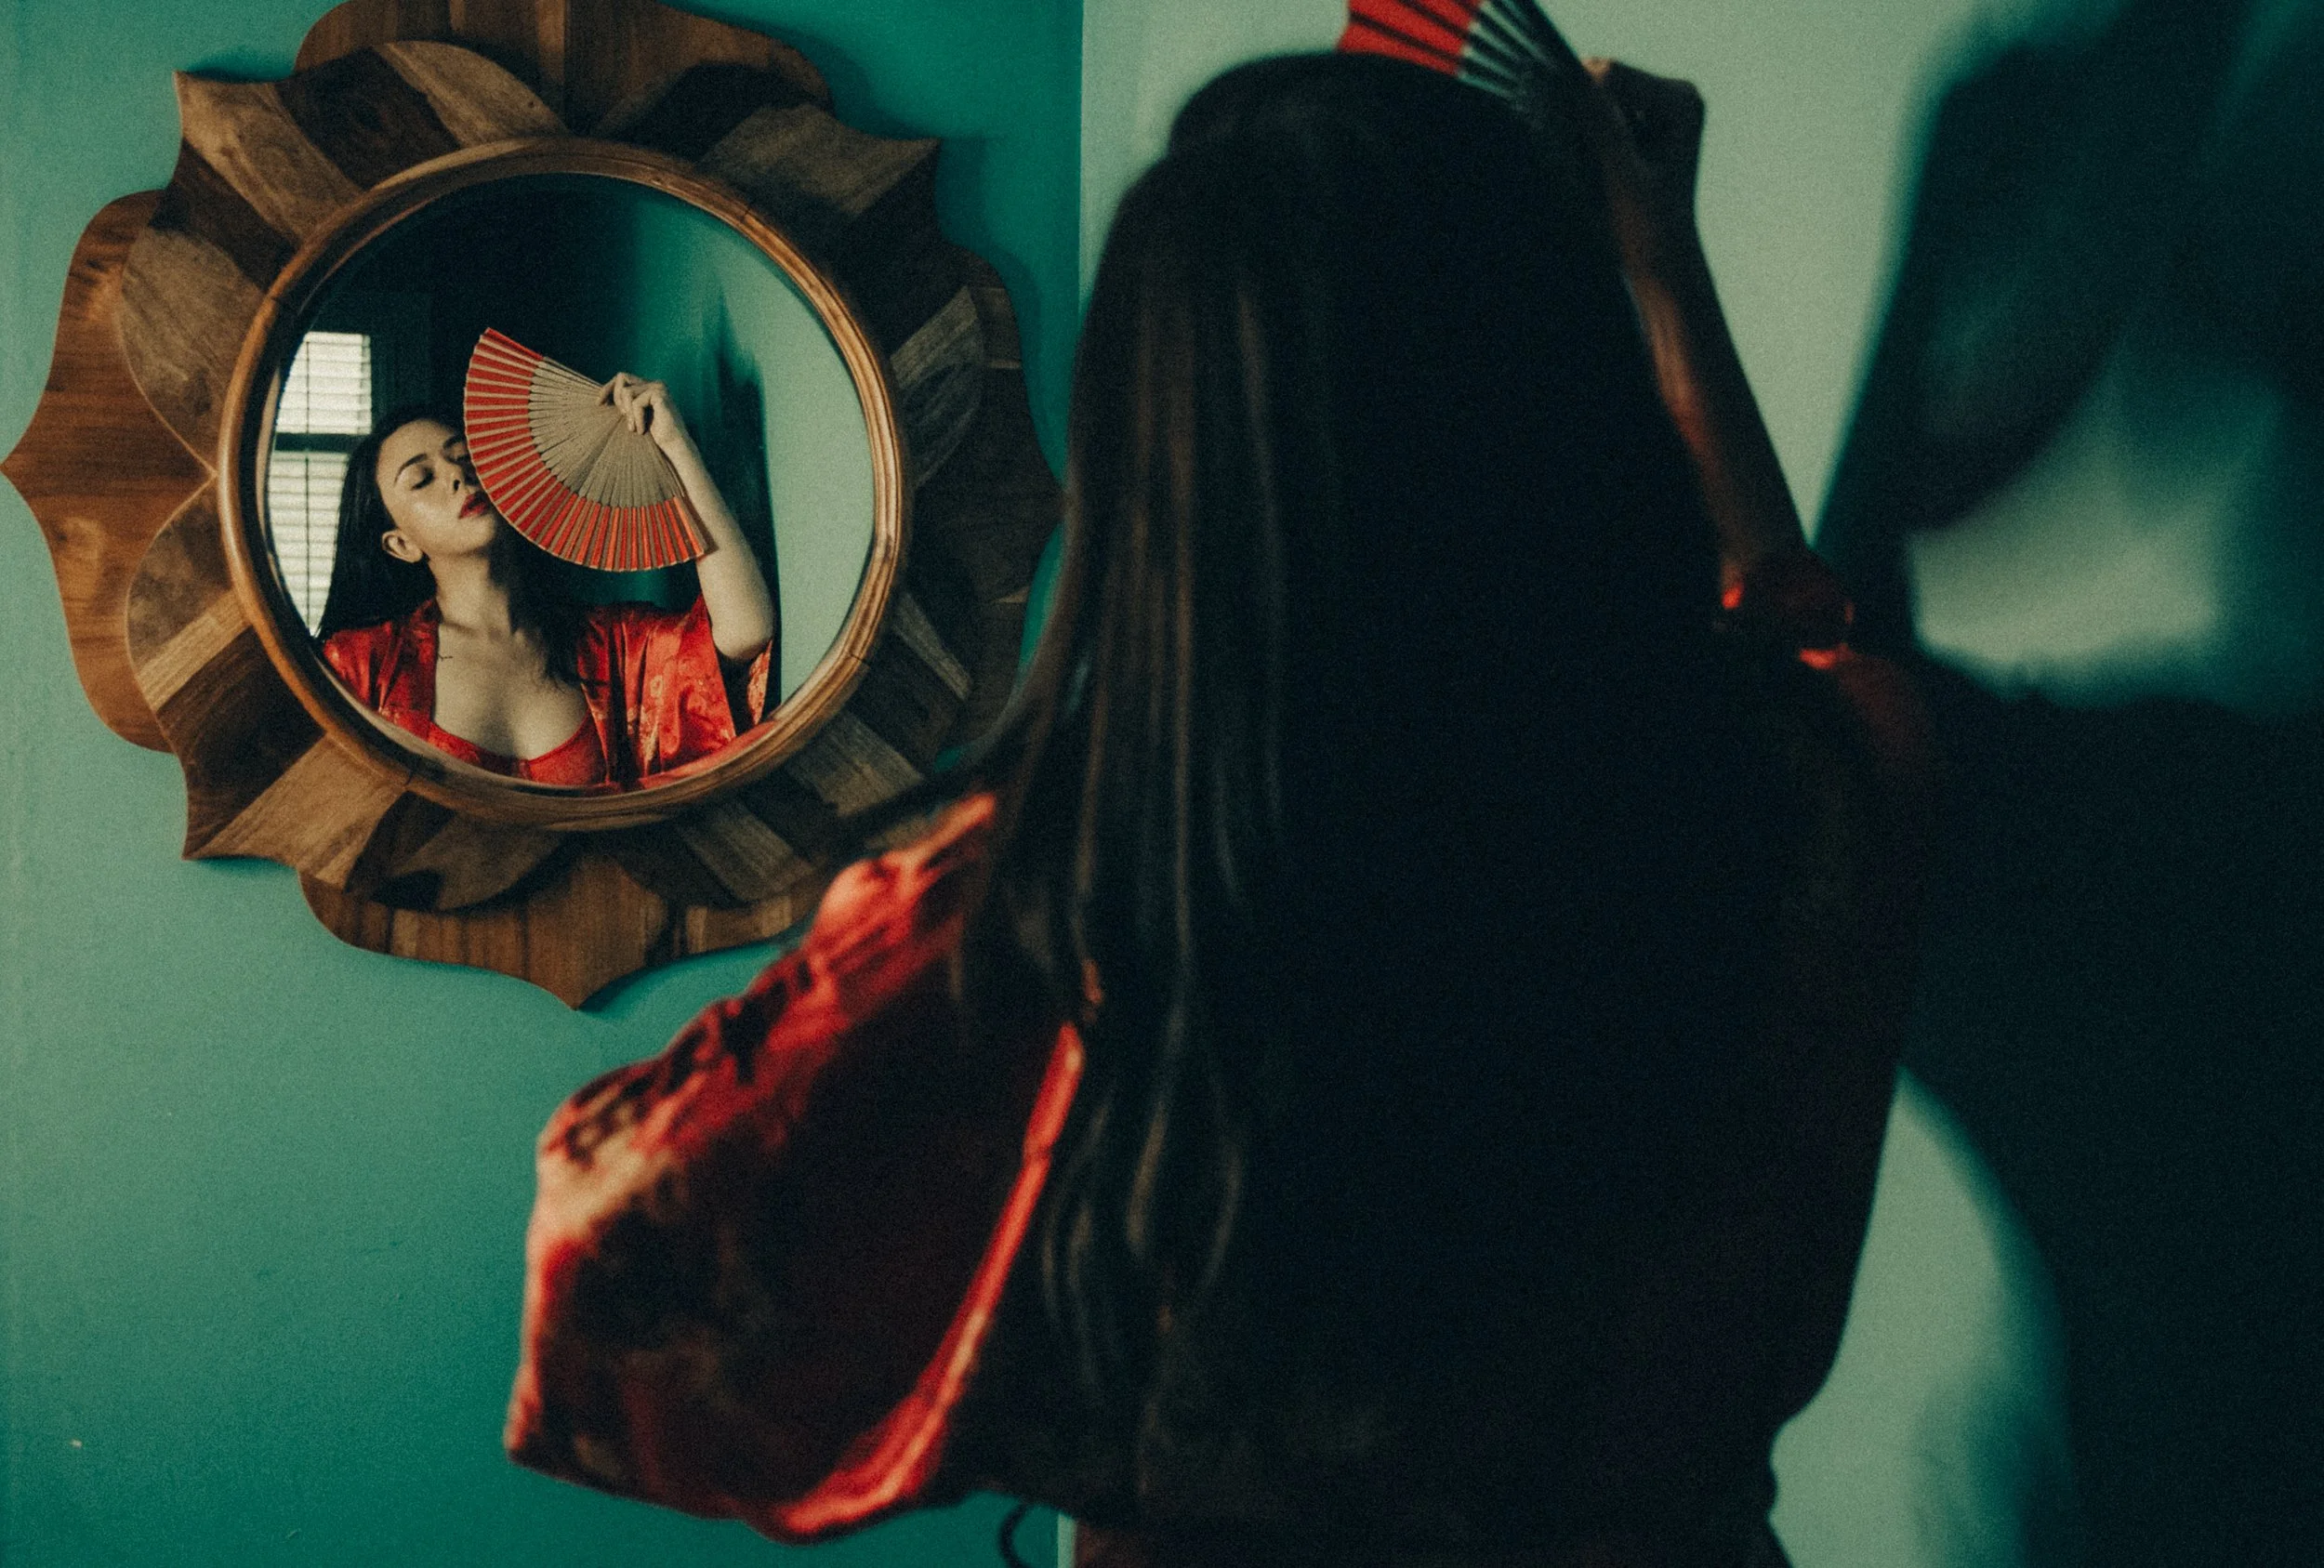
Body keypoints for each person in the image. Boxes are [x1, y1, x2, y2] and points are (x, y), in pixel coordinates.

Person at [502, 51, 1929, 1568]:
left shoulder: (1083, 899)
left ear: (1160, 469)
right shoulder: (1821, 781)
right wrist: (1657, 261)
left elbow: (610, 1253)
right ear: (1572, 389)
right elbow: (1786, 618)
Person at [316, 374, 777, 787]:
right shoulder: (362, 665)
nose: (458, 475)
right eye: (422, 480)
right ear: (401, 545)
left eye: (464, 456)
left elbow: (745, 631)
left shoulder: (607, 645)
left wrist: (677, 447)